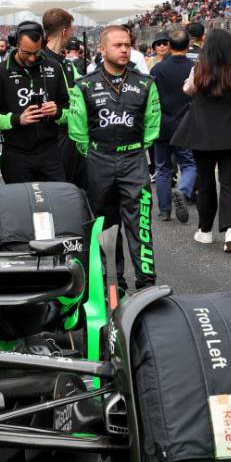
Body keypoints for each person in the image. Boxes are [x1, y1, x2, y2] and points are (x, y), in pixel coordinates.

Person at [68, 25, 160, 292]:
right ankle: (110, 281)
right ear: (102, 49)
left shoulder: (145, 84)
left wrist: (134, 149)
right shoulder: (84, 85)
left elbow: (153, 125)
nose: (123, 49)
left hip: (133, 159)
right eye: (118, 45)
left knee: (139, 222)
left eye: (127, 45)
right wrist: (97, 152)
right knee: (103, 224)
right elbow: (78, 129)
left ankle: (146, 283)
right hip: (99, 160)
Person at [173, 28, 231, 253]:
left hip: (203, 131)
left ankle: (205, 231)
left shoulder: (199, 68)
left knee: (205, 183)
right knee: (229, 183)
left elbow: (188, 89)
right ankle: (230, 231)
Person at [0, 20, 69, 184]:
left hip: (50, 154)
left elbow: (71, 111)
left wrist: (58, 112)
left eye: (37, 52)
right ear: (15, 44)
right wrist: (17, 119)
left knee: (55, 203)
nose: (33, 58)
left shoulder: (54, 68)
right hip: (15, 155)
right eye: (26, 53)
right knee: (21, 207)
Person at [149, 28, 196, 222]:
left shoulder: (157, 69)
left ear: (169, 45)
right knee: (190, 164)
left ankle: (164, 210)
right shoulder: (194, 67)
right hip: (186, 123)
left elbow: (151, 98)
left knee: (163, 168)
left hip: (162, 122)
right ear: (188, 45)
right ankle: (183, 191)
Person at [42, 8, 85, 185]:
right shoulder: (41, 61)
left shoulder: (67, 64)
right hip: (51, 139)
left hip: (71, 136)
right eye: (71, 30)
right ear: (65, 32)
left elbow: (81, 92)